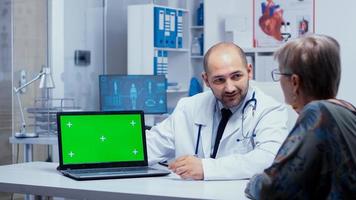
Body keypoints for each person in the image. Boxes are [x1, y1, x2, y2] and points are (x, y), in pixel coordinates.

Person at [146, 42, 289, 180]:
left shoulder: (270, 110)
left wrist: (206, 168)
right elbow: (150, 147)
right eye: (219, 80)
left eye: (236, 76)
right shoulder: (188, 107)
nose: (230, 88)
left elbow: (270, 158)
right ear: (206, 80)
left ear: (249, 71)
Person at [245, 34, 356, 199]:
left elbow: (273, 189)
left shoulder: (318, 112)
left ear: (295, 82)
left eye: (280, 74)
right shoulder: (347, 110)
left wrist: (254, 180)